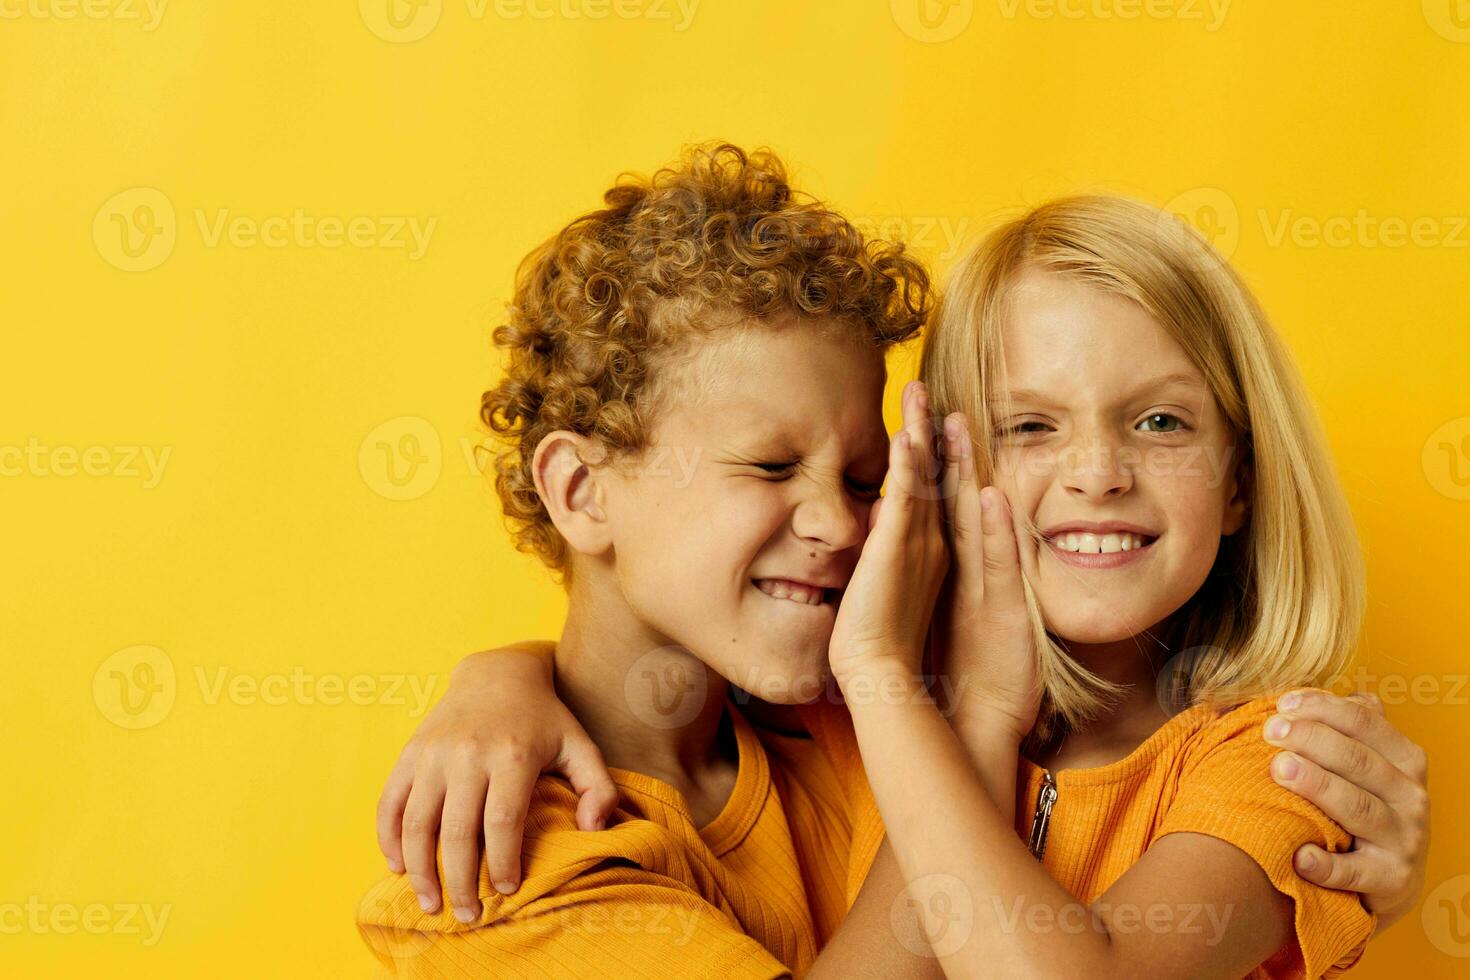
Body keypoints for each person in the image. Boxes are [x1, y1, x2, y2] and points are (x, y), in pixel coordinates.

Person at [362, 151, 1430, 978]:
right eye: (770, 463)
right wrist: (498, 681)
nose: (836, 522)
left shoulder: (1274, 759)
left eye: (872, 479)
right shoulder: (495, 846)